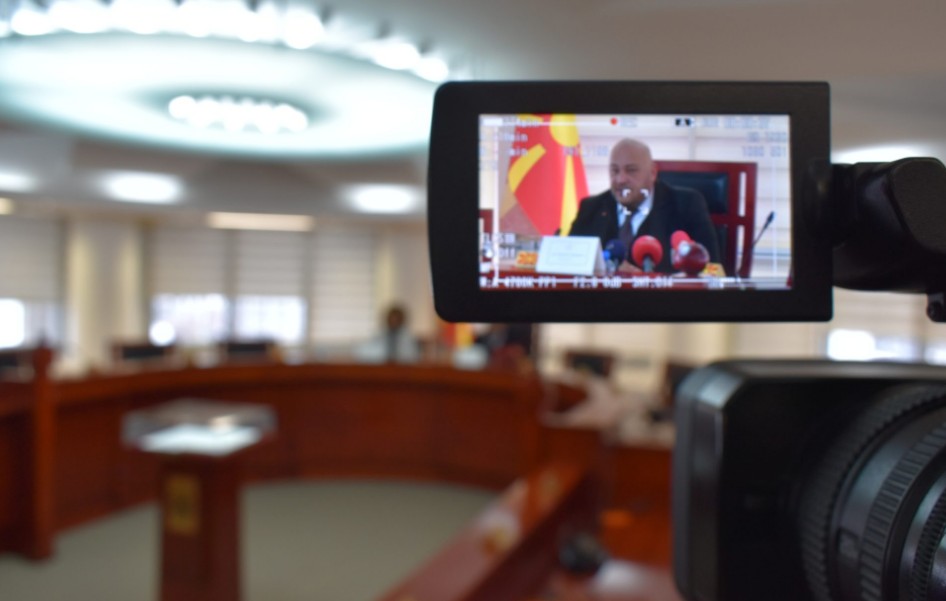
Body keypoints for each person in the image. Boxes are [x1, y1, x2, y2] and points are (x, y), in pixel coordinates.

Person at [568, 138, 720, 274]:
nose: (620, 179)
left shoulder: (686, 205)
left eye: (631, 170)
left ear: (652, 173)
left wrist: (644, 280)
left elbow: (712, 269)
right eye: (614, 170)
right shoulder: (590, 208)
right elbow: (567, 266)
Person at [354, 303, 421, 364]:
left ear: (402, 320)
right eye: (392, 318)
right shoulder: (380, 335)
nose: (394, 321)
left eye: (397, 319)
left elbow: (413, 356)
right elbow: (366, 352)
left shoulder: (408, 338)